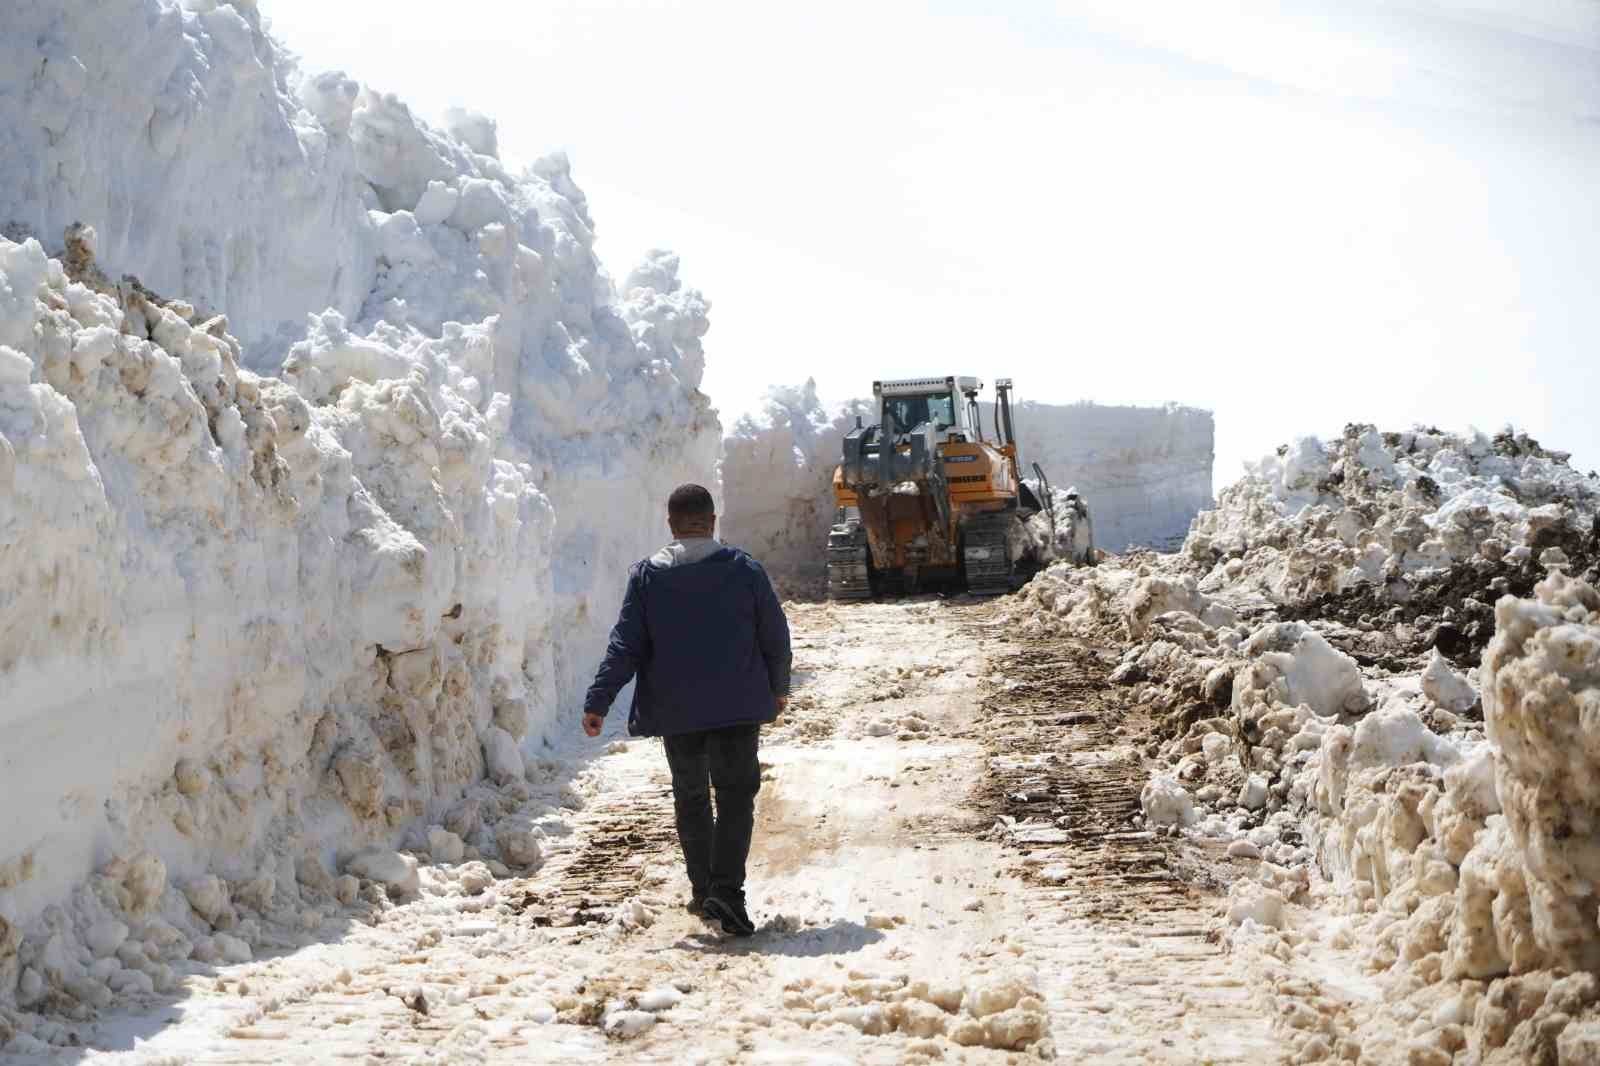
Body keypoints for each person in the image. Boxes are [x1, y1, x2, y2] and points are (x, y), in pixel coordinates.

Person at [581, 484, 791, 937]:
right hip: (737, 708)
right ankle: (727, 893)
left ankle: (704, 892)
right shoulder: (744, 569)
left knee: (691, 797)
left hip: (677, 713)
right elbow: (774, 633)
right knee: (735, 797)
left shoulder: (648, 576)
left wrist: (600, 700)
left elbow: (626, 646)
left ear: (671, 525)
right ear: (712, 522)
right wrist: (778, 687)